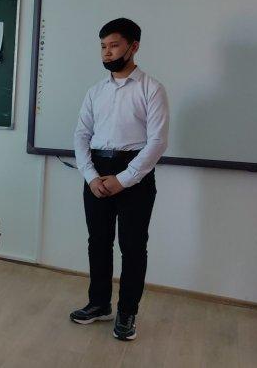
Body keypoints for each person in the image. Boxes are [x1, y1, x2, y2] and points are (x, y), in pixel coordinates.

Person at [71, 18, 169, 341]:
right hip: (97, 170)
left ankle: (127, 312)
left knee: (133, 246)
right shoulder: (95, 91)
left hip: (135, 173)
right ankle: (99, 303)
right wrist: (91, 176)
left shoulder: (151, 89)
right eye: (103, 46)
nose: (107, 52)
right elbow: (81, 135)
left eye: (114, 45)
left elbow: (157, 142)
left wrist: (124, 179)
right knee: (98, 242)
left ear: (133, 46)